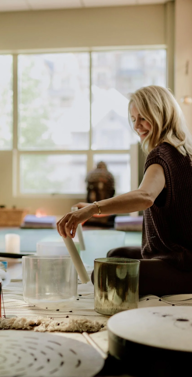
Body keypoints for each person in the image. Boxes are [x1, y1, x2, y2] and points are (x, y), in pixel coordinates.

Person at [57, 85, 192, 296]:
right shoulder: (183, 151)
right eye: (133, 119)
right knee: (115, 254)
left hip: (182, 265)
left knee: (102, 274)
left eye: (143, 118)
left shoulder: (161, 154)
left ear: (161, 115)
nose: (137, 126)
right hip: (176, 254)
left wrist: (93, 209)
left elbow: (145, 196)